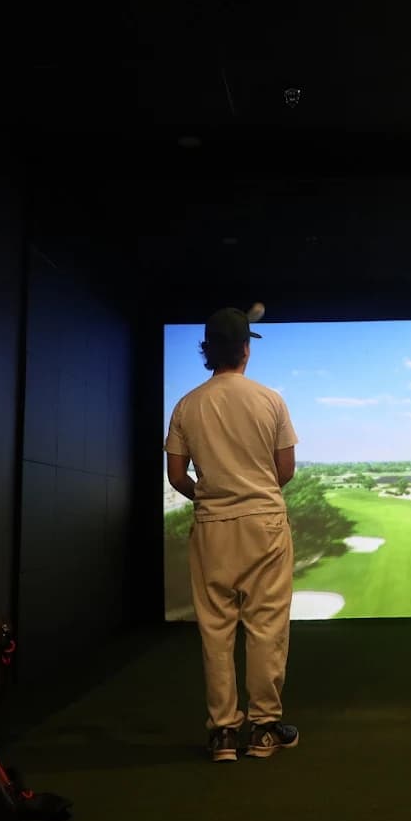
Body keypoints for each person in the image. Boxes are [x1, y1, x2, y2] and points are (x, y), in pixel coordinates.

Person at [164, 306, 300, 763]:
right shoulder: (270, 400)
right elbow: (286, 469)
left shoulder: (187, 404)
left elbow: (176, 475)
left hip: (212, 525)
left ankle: (223, 733)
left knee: (216, 630)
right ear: (245, 348)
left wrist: (209, 493)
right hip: (264, 523)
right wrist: (253, 491)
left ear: (207, 350)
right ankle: (264, 730)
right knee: (265, 627)